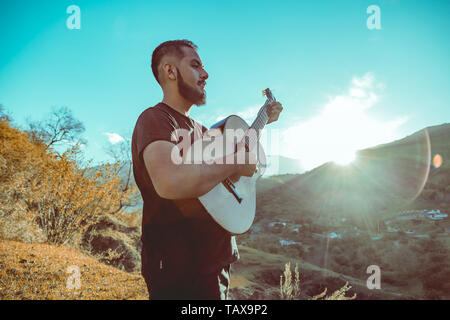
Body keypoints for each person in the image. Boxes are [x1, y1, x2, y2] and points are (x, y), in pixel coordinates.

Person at [131, 40, 283, 300]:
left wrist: (262, 120)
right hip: (178, 268)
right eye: (195, 65)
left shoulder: (203, 131)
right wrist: (236, 162)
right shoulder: (156, 119)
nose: (206, 73)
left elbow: (225, 167)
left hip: (215, 260)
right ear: (170, 71)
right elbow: (170, 182)